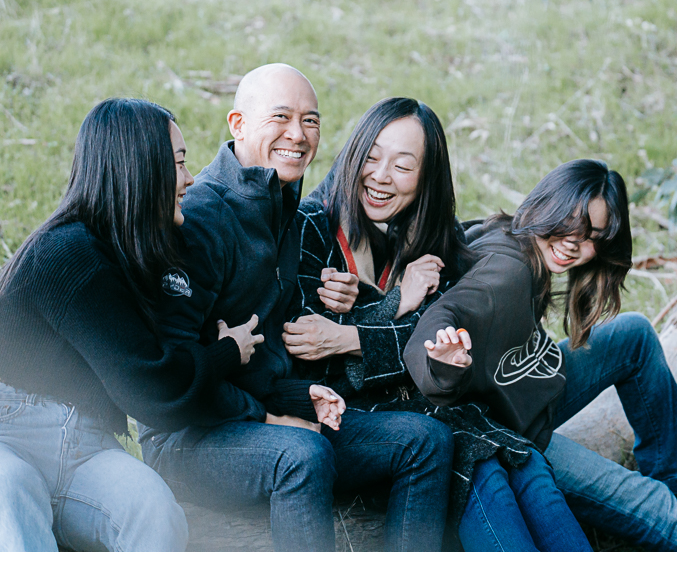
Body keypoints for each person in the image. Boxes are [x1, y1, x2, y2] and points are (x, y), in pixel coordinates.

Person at [140, 65, 454, 552]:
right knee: (302, 454)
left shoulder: (285, 207)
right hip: (186, 437)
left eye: (310, 121)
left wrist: (299, 393)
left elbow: (280, 345)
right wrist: (266, 418)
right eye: (281, 117)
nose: (298, 134)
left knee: (425, 440)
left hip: (264, 414)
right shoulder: (201, 219)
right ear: (237, 124)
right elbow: (170, 379)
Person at [285, 97, 593, 552]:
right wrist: (396, 304)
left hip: (427, 402)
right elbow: (309, 351)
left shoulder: (422, 233)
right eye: (371, 157)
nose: (381, 176)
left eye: (403, 166)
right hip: (351, 421)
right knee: (478, 461)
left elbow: (426, 339)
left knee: (523, 463)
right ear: (353, 153)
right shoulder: (312, 224)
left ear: (426, 177)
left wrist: (354, 333)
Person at [0, 98, 268, 551]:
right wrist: (225, 352)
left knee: (152, 507)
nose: (190, 179)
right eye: (179, 164)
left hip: (85, 443)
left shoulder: (128, 256)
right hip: (0, 433)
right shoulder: (69, 255)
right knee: (9, 491)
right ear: (139, 168)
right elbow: (152, 389)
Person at [405, 159, 677, 552]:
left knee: (633, 334)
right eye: (569, 223)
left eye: (591, 237)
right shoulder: (508, 270)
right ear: (544, 203)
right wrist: (441, 361)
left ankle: (671, 477)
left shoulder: (517, 239)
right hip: (516, 432)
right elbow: (442, 318)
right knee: (664, 514)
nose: (573, 244)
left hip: (532, 390)